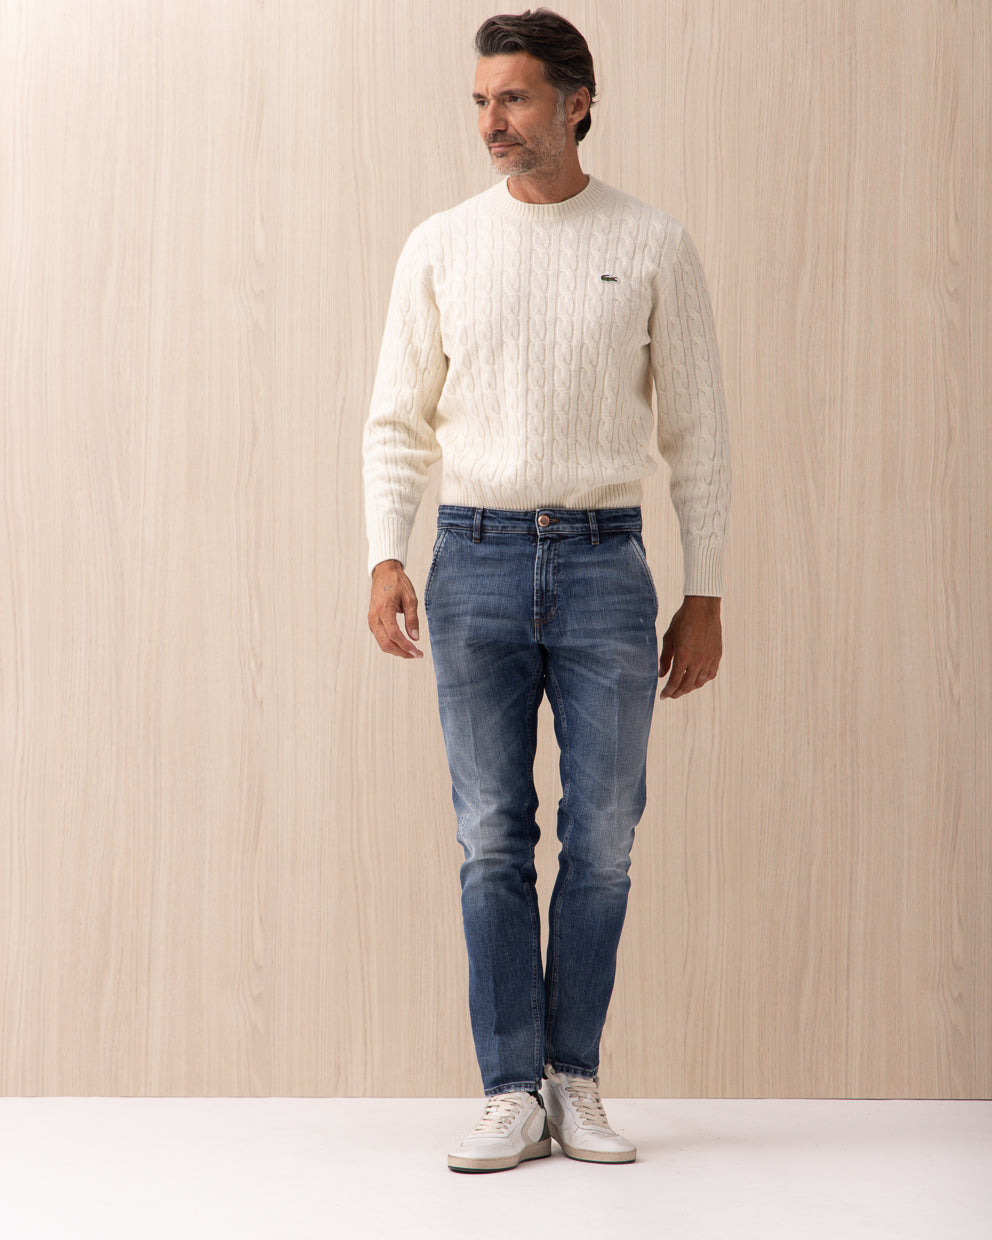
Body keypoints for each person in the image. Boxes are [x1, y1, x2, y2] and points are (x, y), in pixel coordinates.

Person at [363, 8, 730, 1173]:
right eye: (480, 100)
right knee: (489, 836)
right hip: (469, 558)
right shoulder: (438, 245)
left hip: (605, 564)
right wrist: (383, 551)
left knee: (604, 835)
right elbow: (396, 420)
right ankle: (508, 1088)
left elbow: (697, 433)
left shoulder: (653, 242)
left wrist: (705, 589)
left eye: (513, 98)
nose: (492, 122)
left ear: (576, 102)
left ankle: (573, 1076)